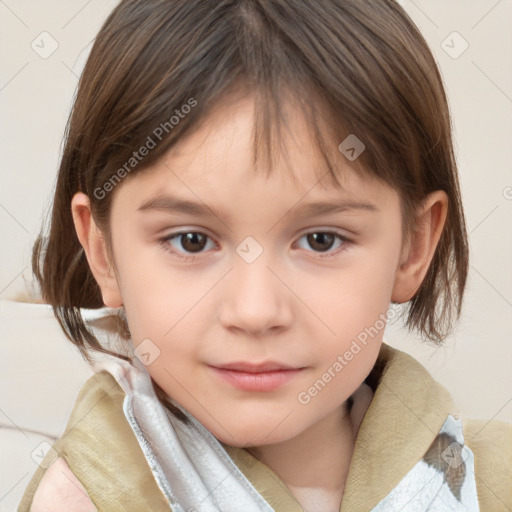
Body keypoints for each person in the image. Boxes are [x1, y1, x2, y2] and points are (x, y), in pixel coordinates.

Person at [18, 0, 511, 511]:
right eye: (191, 240)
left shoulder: (492, 481)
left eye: (322, 240)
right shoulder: (87, 497)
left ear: (413, 246)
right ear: (104, 253)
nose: (255, 311)